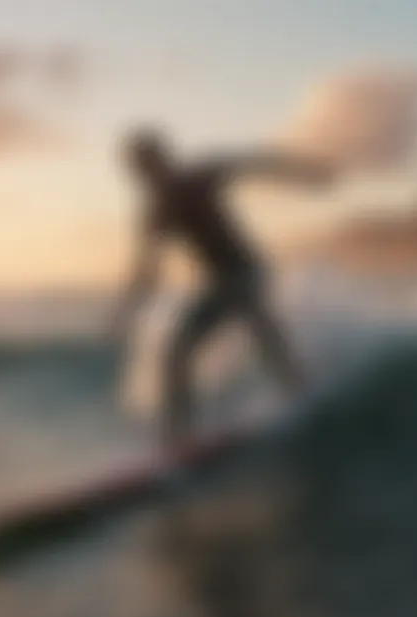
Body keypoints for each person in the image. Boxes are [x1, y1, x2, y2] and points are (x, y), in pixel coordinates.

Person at [111, 128, 337, 448]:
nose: (145, 176)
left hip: (248, 269)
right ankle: (180, 439)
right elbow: (147, 270)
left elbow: (255, 164)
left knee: (252, 310)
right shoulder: (157, 212)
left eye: (147, 166)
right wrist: (125, 309)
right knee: (175, 351)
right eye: (138, 171)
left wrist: (308, 173)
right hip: (220, 282)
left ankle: (298, 389)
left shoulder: (198, 179)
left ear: (162, 160)